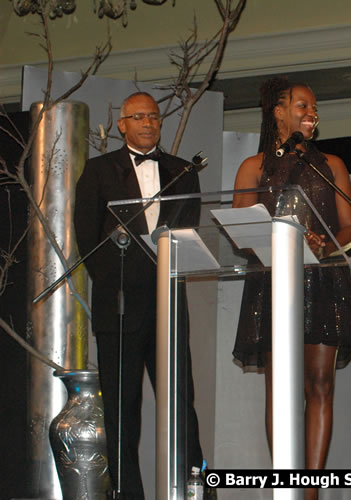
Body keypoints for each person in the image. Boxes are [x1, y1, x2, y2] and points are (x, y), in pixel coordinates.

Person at [232, 77, 351, 500]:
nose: (311, 113)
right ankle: (286, 486)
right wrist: (279, 240)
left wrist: (328, 243)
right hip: (274, 282)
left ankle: (310, 493)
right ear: (279, 112)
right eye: (302, 106)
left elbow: (350, 226)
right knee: (280, 387)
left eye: (314, 107)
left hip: (324, 279)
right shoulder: (253, 167)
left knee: (320, 383)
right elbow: (239, 230)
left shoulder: (332, 165)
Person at [74, 91, 204, 499]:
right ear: (122, 124)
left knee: (181, 402)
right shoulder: (98, 170)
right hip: (118, 305)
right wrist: (117, 282)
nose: (148, 122)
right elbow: (86, 237)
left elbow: (188, 232)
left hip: (168, 301)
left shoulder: (184, 171)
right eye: (139, 116)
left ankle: (195, 487)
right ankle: (128, 494)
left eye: (154, 116)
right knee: (122, 408)